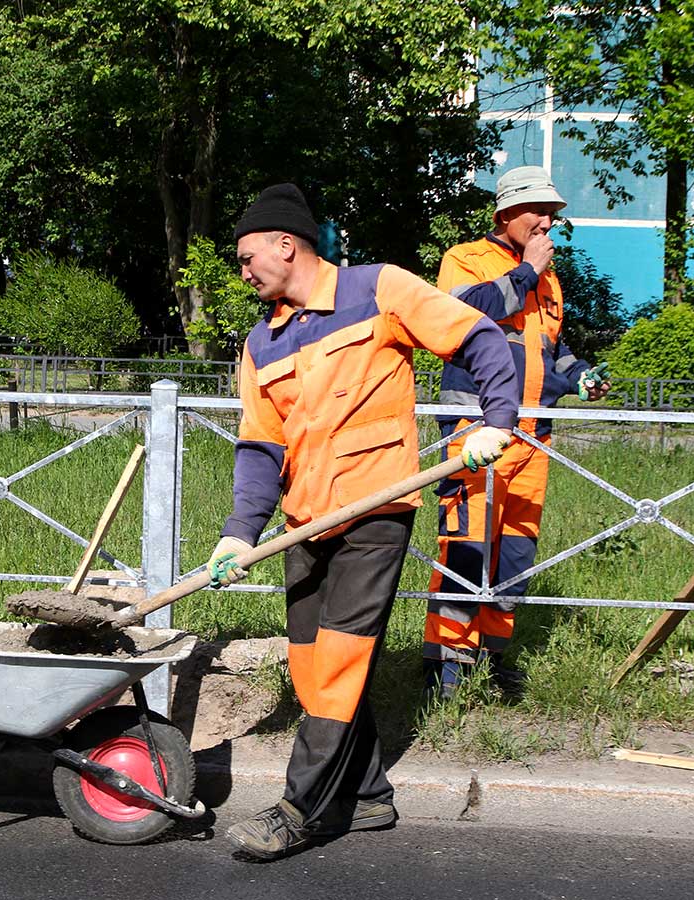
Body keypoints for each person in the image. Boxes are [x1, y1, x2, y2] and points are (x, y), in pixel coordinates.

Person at [205, 183, 520, 862]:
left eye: (246, 255)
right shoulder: (263, 343)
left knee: (342, 660)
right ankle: (369, 794)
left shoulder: (379, 289)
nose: (243, 270)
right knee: (314, 666)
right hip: (305, 520)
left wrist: (497, 422)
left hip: (377, 509)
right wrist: (239, 531)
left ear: (286, 244)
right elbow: (261, 448)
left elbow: (478, 334)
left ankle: (300, 810)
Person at [423, 166, 611, 699]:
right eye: (539, 212)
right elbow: (458, 318)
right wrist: (526, 272)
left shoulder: (550, 277)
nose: (548, 223)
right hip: (475, 432)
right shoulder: (464, 260)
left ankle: (491, 658)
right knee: (465, 548)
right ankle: (446, 666)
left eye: (553, 214)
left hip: (534, 440)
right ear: (506, 212)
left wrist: (582, 376)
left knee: (514, 555)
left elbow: (553, 350)